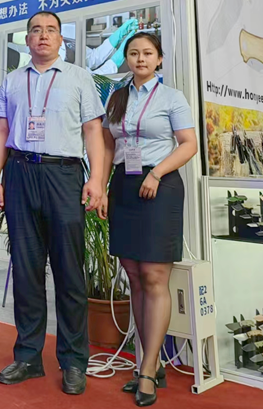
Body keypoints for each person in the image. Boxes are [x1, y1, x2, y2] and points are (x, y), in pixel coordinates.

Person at [0, 11, 106, 395]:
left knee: (69, 272)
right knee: (26, 270)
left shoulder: (79, 77)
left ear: (60, 40)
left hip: (63, 175)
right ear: (27, 39)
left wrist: (97, 180)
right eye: (36, 30)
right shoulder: (12, 80)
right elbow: (1, 130)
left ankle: (73, 361)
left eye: (50, 30)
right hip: (20, 172)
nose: (43, 36)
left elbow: (93, 130)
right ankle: (27, 357)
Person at [102, 32, 198, 407]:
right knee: (135, 277)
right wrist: (101, 187)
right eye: (133, 53)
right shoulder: (117, 96)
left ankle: (146, 369)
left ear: (159, 59)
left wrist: (156, 173)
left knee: (155, 276)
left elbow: (188, 144)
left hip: (160, 185)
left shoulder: (172, 97)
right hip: (124, 186)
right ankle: (151, 362)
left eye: (147, 53)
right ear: (127, 58)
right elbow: (108, 144)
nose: (140, 59)